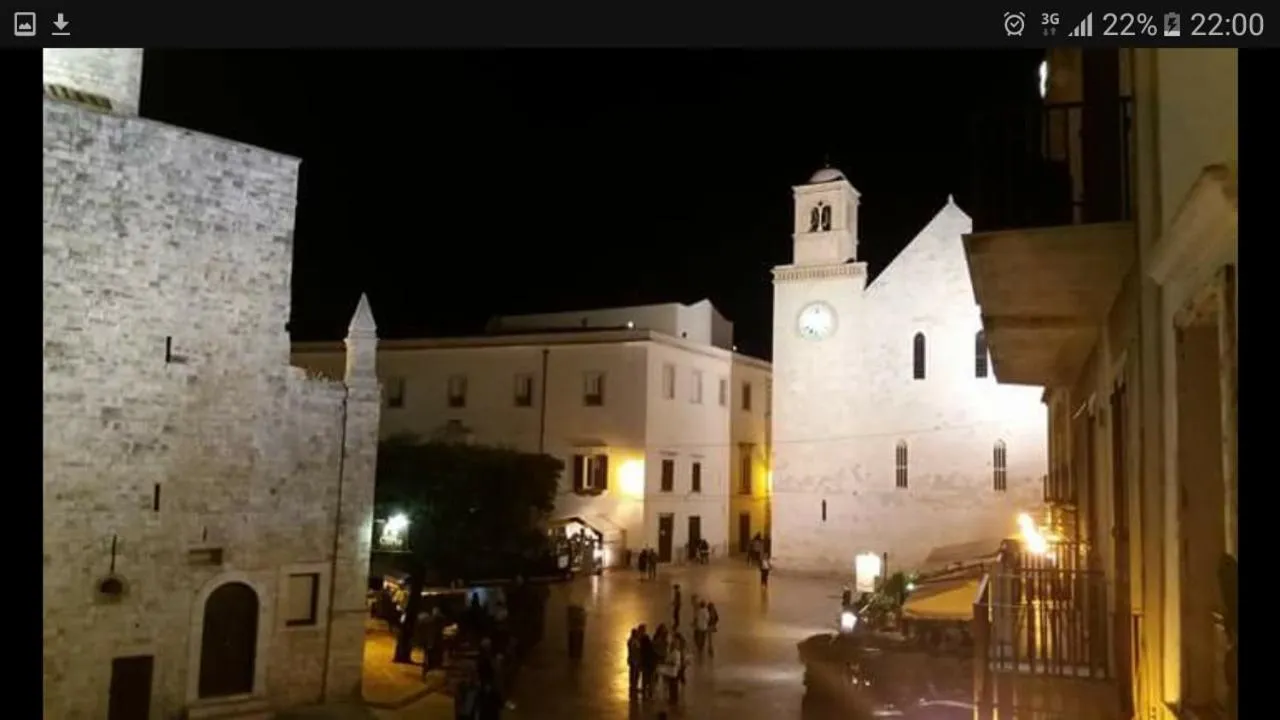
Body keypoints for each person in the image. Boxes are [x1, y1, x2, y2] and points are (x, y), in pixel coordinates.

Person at [660, 632, 684, 704]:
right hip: (673, 671)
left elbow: (674, 662)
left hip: (673, 671)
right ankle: (673, 698)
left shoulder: (675, 653)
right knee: (673, 686)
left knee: (673, 686)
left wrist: (668, 663)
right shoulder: (675, 652)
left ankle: (673, 699)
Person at [639, 624, 657, 699]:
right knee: (648, 678)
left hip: (647, 662)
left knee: (647, 678)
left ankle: (648, 693)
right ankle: (648, 693)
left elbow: (644, 652)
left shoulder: (644, 639)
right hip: (649, 662)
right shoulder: (646, 639)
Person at [626, 627, 642, 697]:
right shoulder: (633, 641)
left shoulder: (631, 641)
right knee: (634, 673)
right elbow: (635, 650)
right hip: (634, 660)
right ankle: (633, 686)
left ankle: (633, 686)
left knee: (634, 673)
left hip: (634, 659)